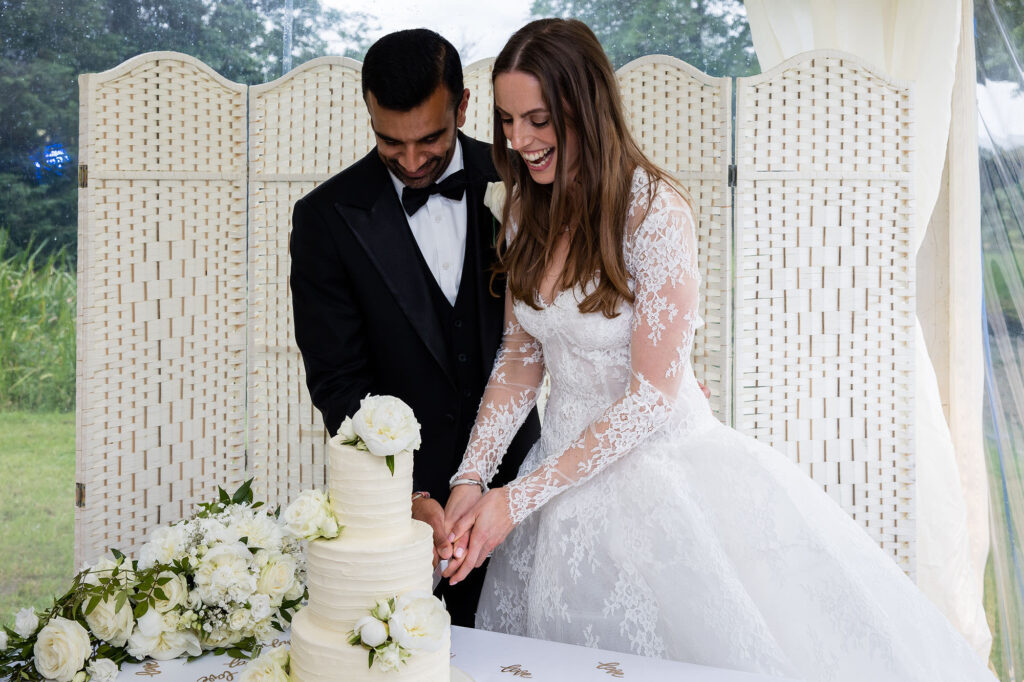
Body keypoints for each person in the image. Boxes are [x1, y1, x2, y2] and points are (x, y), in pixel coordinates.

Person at [439, 18, 995, 681]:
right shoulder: (527, 209)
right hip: (555, 482)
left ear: (585, 108)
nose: (518, 141)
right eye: (506, 121)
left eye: (536, 119)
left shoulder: (654, 212)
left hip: (658, 478)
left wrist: (517, 497)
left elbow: (651, 397)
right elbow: (520, 361)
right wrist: (472, 481)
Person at [288, 28, 540, 627]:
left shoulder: (526, 179)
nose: (411, 160)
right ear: (369, 112)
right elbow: (337, 377)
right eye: (389, 142)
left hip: (518, 493)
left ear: (463, 107)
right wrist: (413, 495)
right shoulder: (324, 218)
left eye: (430, 138)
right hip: (398, 517)